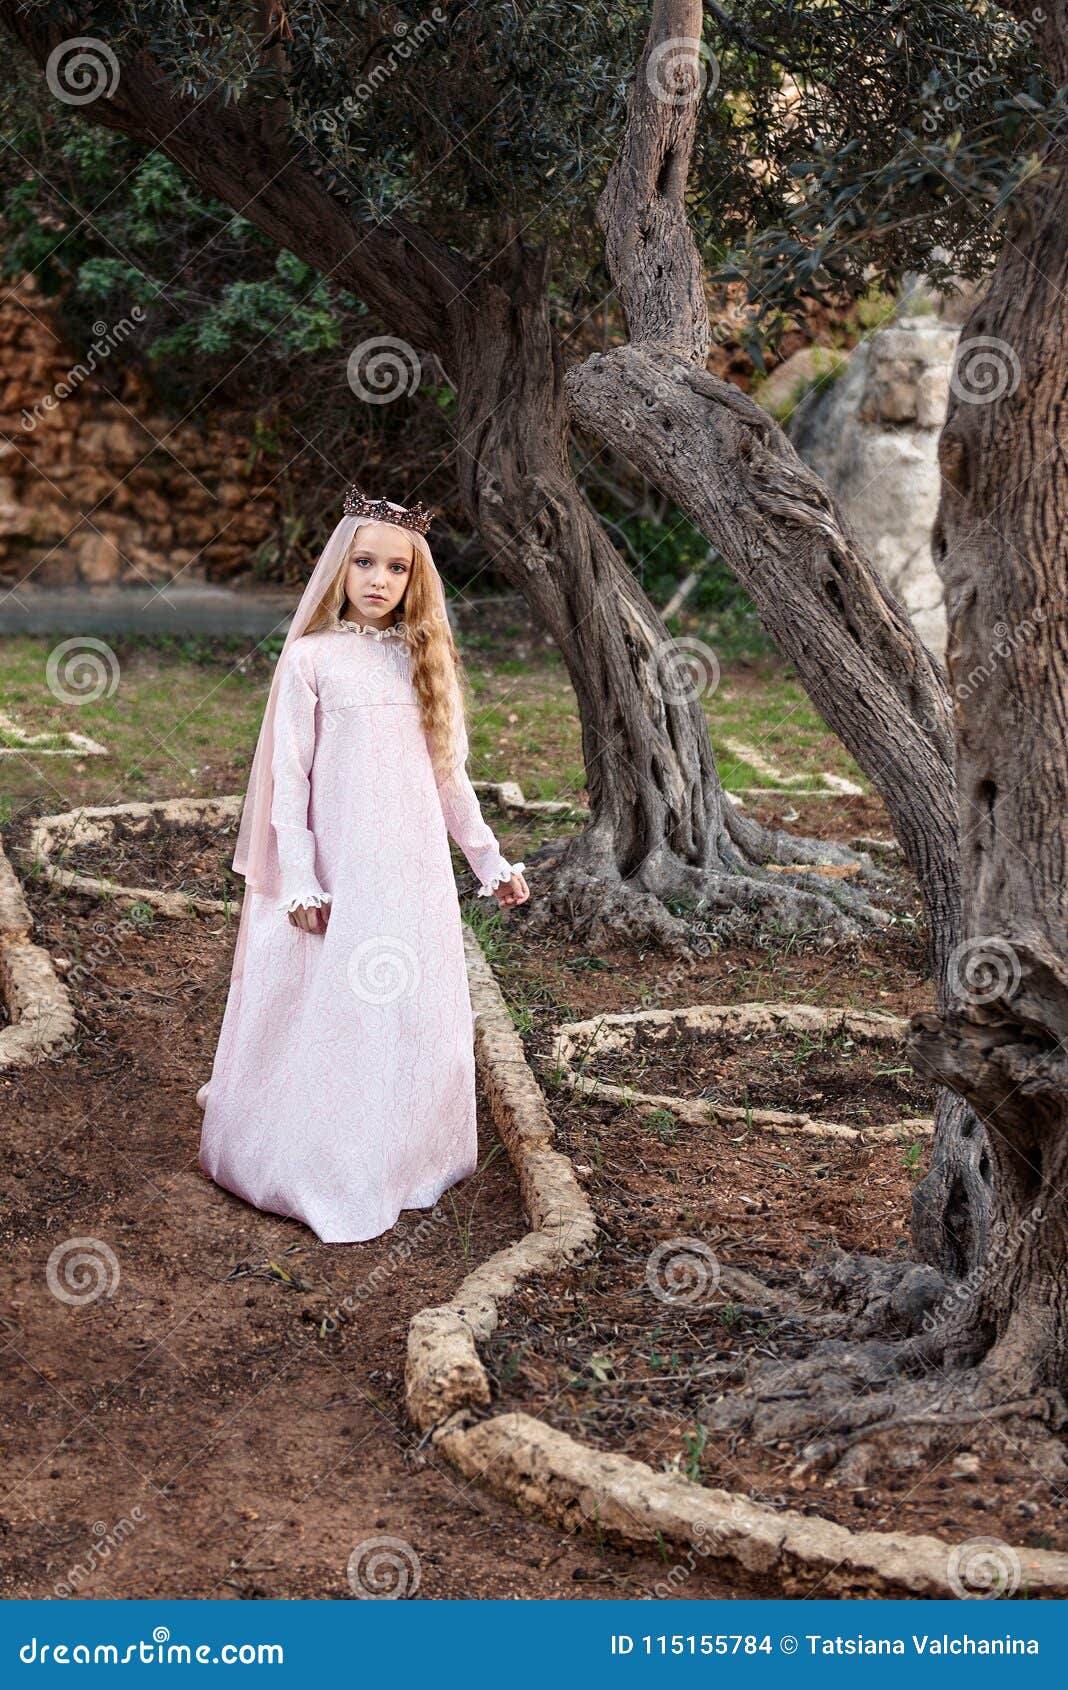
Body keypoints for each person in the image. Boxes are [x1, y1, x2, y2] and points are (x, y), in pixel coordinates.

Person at [197, 487, 530, 1243]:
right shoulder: (312, 661)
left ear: (417, 581)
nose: (380, 580)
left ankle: (404, 1153)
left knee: (400, 1007)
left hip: (407, 874)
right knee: (334, 1009)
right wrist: (303, 878)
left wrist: (489, 860)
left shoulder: (422, 661)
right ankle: (321, 1158)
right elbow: (290, 781)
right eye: (366, 563)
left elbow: (449, 779)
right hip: (337, 872)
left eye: (398, 569)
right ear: (340, 569)